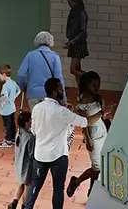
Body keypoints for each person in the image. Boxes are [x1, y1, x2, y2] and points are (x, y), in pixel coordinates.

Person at [23, 78, 88, 209]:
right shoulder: (62, 111)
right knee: (58, 189)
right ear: (54, 91)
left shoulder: (37, 108)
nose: (62, 90)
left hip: (40, 155)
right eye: (60, 88)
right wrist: (99, 114)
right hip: (58, 156)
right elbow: (84, 122)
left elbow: (34, 130)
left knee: (35, 186)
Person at [65, 71, 108, 199]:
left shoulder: (97, 97)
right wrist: (88, 139)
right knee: (97, 166)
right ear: (87, 85)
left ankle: (91, 190)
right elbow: (84, 123)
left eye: (98, 85)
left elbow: (102, 114)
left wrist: (105, 113)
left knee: (99, 165)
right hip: (92, 135)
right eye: (94, 85)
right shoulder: (82, 100)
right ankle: (78, 182)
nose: (97, 88)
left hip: (102, 131)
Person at [14, 31, 63, 106]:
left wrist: (22, 86)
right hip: (49, 94)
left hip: (33, 93)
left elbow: (21, 74)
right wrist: (63, 98)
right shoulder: (55, 56)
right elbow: (58, 78)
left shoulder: (30, 55)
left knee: (35, 113)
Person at [9, 108, 36, 209]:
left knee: (21, 183)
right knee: (28, 186)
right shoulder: (30, 137)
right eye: (30, 120)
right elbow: (32, 154)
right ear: (26, 123)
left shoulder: (19, 132)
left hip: (19, 163)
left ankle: (14, 201)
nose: (31, 122)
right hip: (27, 166)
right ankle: (24, 206)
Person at [64, 0, 90, 78]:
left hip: (78, 44)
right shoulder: (73, 12)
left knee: (73, 69)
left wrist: (72, 42)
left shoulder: (81, 13)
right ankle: (81, 86)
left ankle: (88, 79)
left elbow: (83, 32)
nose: (69, 4)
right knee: (77, 69)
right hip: (74, 43)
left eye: (69, 2)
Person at [0, 63, 19, 147]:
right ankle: (13, 138)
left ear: (4, 74)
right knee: (12, 124)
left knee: (7, 126)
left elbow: (4, 97)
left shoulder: (5, 86)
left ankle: (8, 141)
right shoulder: (13, 83)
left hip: (6, 109)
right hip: (12, 107)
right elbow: (19, 91)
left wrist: (1, 101)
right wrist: (13, 98)